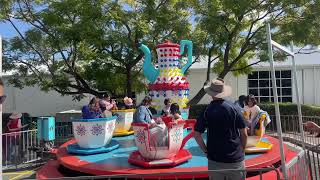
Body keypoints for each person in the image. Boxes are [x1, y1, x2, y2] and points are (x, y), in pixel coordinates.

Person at [194, 78, 248, 180]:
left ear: (211, 93)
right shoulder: (234, 108)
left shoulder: (206, 111)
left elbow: (197, 135)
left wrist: (206, 151)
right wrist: (242, 149)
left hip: (215, 160)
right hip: (235, 159)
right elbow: (244, 133)